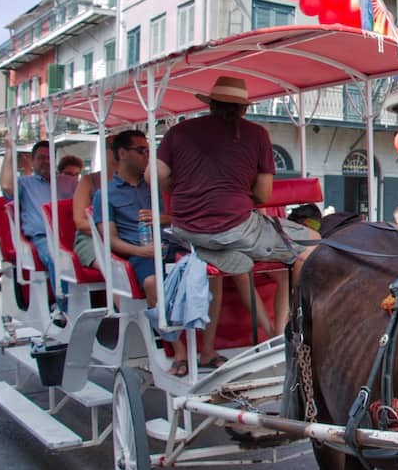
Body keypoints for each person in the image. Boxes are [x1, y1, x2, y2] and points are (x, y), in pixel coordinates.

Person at [153, 75, 318, 355]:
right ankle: (291, 330)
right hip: (235, 227)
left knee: (246, 249)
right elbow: (264, 196)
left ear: (211, 105)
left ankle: (272, 331)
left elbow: (154, 175)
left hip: (185, 229)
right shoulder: (256, 135)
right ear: (243, 109)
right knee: (312, 242)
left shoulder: (178, 132)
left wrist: (180, 187)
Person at [94, 130, 195, 375]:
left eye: (148, 150)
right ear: (121, 153)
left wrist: (159, 219)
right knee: (152, 282)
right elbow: (111, 240)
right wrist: (143, 250)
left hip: (168, 244)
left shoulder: (152, 188)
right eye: (141, 150)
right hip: (138, 253)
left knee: (207, 268)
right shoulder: (104, 195)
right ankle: (178, 349)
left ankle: (209, 344)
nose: (147, 156)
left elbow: (172, 219)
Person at [0, 137, 76, 296]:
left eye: (50, 158)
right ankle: (63, 309)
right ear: (32, 161)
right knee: (58, 258)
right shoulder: (25, 184)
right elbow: (7, 185)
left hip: (72, 236)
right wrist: (9, 152)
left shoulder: (69, 182)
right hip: (43, 238)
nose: (46, 161)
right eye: (41, 158)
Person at [73, 135, 117, 270]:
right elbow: (80, 222)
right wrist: (113, 231)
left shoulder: (141, 181)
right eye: (114, 147)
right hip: (92, 238)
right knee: (112, 268)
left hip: (126, 237)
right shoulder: (88, 181)